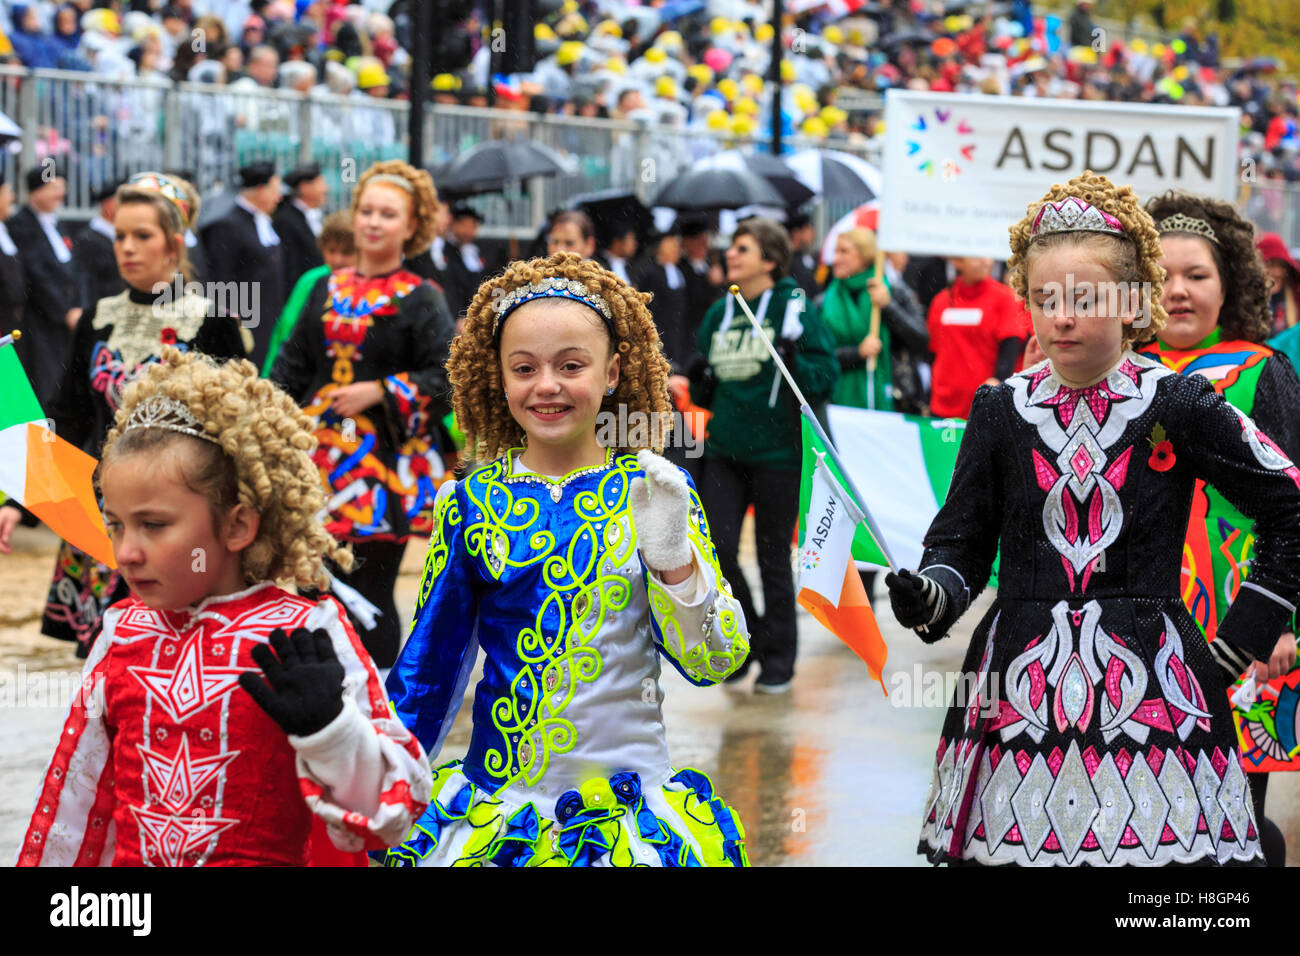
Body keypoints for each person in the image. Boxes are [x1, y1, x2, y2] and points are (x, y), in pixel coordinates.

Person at [886, 171, 1300, 866]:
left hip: (1158, 692)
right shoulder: (999, 407)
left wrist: (1234, 645)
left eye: (1084, 299)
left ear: (1134, 303)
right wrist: (935, 591)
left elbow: (1290, 509)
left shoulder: (1181, 402)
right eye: (1045, 300)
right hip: (1014, 690)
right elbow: (961, 539)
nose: (1062, 318)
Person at [383, 251, 751, 867]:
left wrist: (673, 562)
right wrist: (377, 775)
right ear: (498, 378)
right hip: (503, 814)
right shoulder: (468, 503)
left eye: (571, 365)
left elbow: (713, 660)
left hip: (629, 822)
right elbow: (428, 673)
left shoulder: (657, 490)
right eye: (523, 368)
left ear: (611, 374)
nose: (546, 385)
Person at [16, 348, 431, 866]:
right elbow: (75, 810)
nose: (125, 552)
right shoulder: (121, 632)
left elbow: (399, 809)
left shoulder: (307, 631)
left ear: (238, 525)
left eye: (154, 525)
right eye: (116, 525)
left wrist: (332, 731)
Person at [1, 172, 246, 655]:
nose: (127, 248)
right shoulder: (96, 318)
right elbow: (66, 418)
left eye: (142, 236)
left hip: (184, 516)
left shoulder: (212, 319)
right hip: (102, 519)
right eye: (119, 236)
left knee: (183, 656)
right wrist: (17, 501)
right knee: (108, 666)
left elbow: (239, 426)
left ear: (173, 244)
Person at [1140, 190, 1300, 866]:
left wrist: (1287, 624)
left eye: (1197, 276)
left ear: (1228, 283)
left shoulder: (1263, 371)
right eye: (1160, 277)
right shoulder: (1114, 371)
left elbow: (1296, 505)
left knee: (1233, 815)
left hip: (1244, 611)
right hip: (1140, 614)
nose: (1177, 292)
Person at [269, 160, 455, 671]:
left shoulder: (423, 298)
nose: (373, 222)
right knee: (311, 581)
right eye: (366, 211)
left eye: (388, 214)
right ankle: (318, 702)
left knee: (370, 588)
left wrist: (380, 390)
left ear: (412, 226)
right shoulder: (323, 289)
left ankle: (379, 709)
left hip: (384, 470)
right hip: (316, 465)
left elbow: (448, 378)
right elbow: (291, 365)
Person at [689, 218, 838, 692]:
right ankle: (745, 639)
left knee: (774, 557)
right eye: (731, 247)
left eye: (743, 248)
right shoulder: (720, 313)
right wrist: (701, 382)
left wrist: (796, 359)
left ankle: (779, 658)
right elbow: (709, 388)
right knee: (717, 553)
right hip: (725, 451)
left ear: (770, 260)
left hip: (778, 453)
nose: (730, 254)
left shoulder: (795, 307)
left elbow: (824, 375)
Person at [821, 227, 928, 412]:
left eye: (844, 251)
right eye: (835, 252)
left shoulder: (894, 292)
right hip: (836, 403)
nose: (835, 259)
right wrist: (856, 354)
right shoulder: (824, 301)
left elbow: (920, 340)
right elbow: (820, 356)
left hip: (892, 400)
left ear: (865, 255)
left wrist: (888, 306)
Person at [201, 161, 287, 368]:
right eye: (275, 190)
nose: (279, 197)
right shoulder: (227, 226)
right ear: (260, 190)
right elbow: (219, 280)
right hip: (247, 324)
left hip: (267, 319)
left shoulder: (260, 221)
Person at [7, 165, 80, 407]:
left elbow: (74, 270)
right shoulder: (20, 225)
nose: (60, 192)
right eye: (53, 186)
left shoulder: (58, 224)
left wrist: (79, 306)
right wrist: (64, 310)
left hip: (67, 319)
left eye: (62, 186)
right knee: (45, 383)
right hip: (41, 319)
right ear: (35, 192)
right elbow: (36, 274)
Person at [926, 256, 1029, 420]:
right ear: (957, 261)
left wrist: (997, 381)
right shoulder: (941, 301)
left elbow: (1010, 345)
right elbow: (933, 350)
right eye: (977, 257)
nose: (986, 261)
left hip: (982, 406)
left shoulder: (1003, 298)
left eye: (988, 256)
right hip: (942, 403)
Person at [260, 210, 356, 376]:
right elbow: (285, 330)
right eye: (331, 251)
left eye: (346, 253)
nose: (337, 259)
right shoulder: (311, 280)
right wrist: (269, 376)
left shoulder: (370, 287)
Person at [274, 162, 328, 293]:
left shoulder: (309, 216)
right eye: (321, 183)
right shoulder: (287, 220)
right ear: (304, 188)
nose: (326, 189)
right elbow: (290, 267)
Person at [72, 179, 125, 312]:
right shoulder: (87, 239)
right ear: (107, 204)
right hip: (101, 308)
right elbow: (83, 280)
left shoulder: (124, 236)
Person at [1256, 232, 1300, 335]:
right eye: (1270, 265)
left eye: (1282, 266)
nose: (1278, 272)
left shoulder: (1295, 298)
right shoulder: (1245, 305)